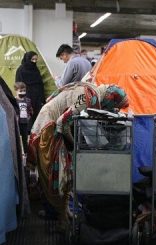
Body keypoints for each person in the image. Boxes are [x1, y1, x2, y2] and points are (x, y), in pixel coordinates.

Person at [28, 82, 129, 231]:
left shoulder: (92, 91)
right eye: (114, 105)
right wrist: (74, 144)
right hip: (48, 128)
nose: (113, 109)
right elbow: (62, 122)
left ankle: (64, 213)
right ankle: (61, 220)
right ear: (109, 99)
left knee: (66, 174)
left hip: (52, 126)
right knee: (58, 175)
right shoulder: (88, 98)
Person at [15, 51, 45, 124]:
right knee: (27, 115)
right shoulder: (21, 70)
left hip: (37, 97)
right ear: (27, 59)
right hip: (26, 95)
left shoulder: (35, 69)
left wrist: (42, 98)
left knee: (37, 115)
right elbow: (18, 84)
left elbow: (40, 83)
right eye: (32, 59)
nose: (34, 61)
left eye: (35, 59)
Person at [14, 82, 33, 153]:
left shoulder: (28, 100)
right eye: (20, 91)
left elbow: (30, 109)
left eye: (24, 91)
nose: (22, 92)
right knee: (17, 139)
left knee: (25, 139)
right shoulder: (14, 101)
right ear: (16, 90)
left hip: (25, 122)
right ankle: (18, 153)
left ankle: (26, 153)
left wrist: (29, 116)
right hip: (17, 123)